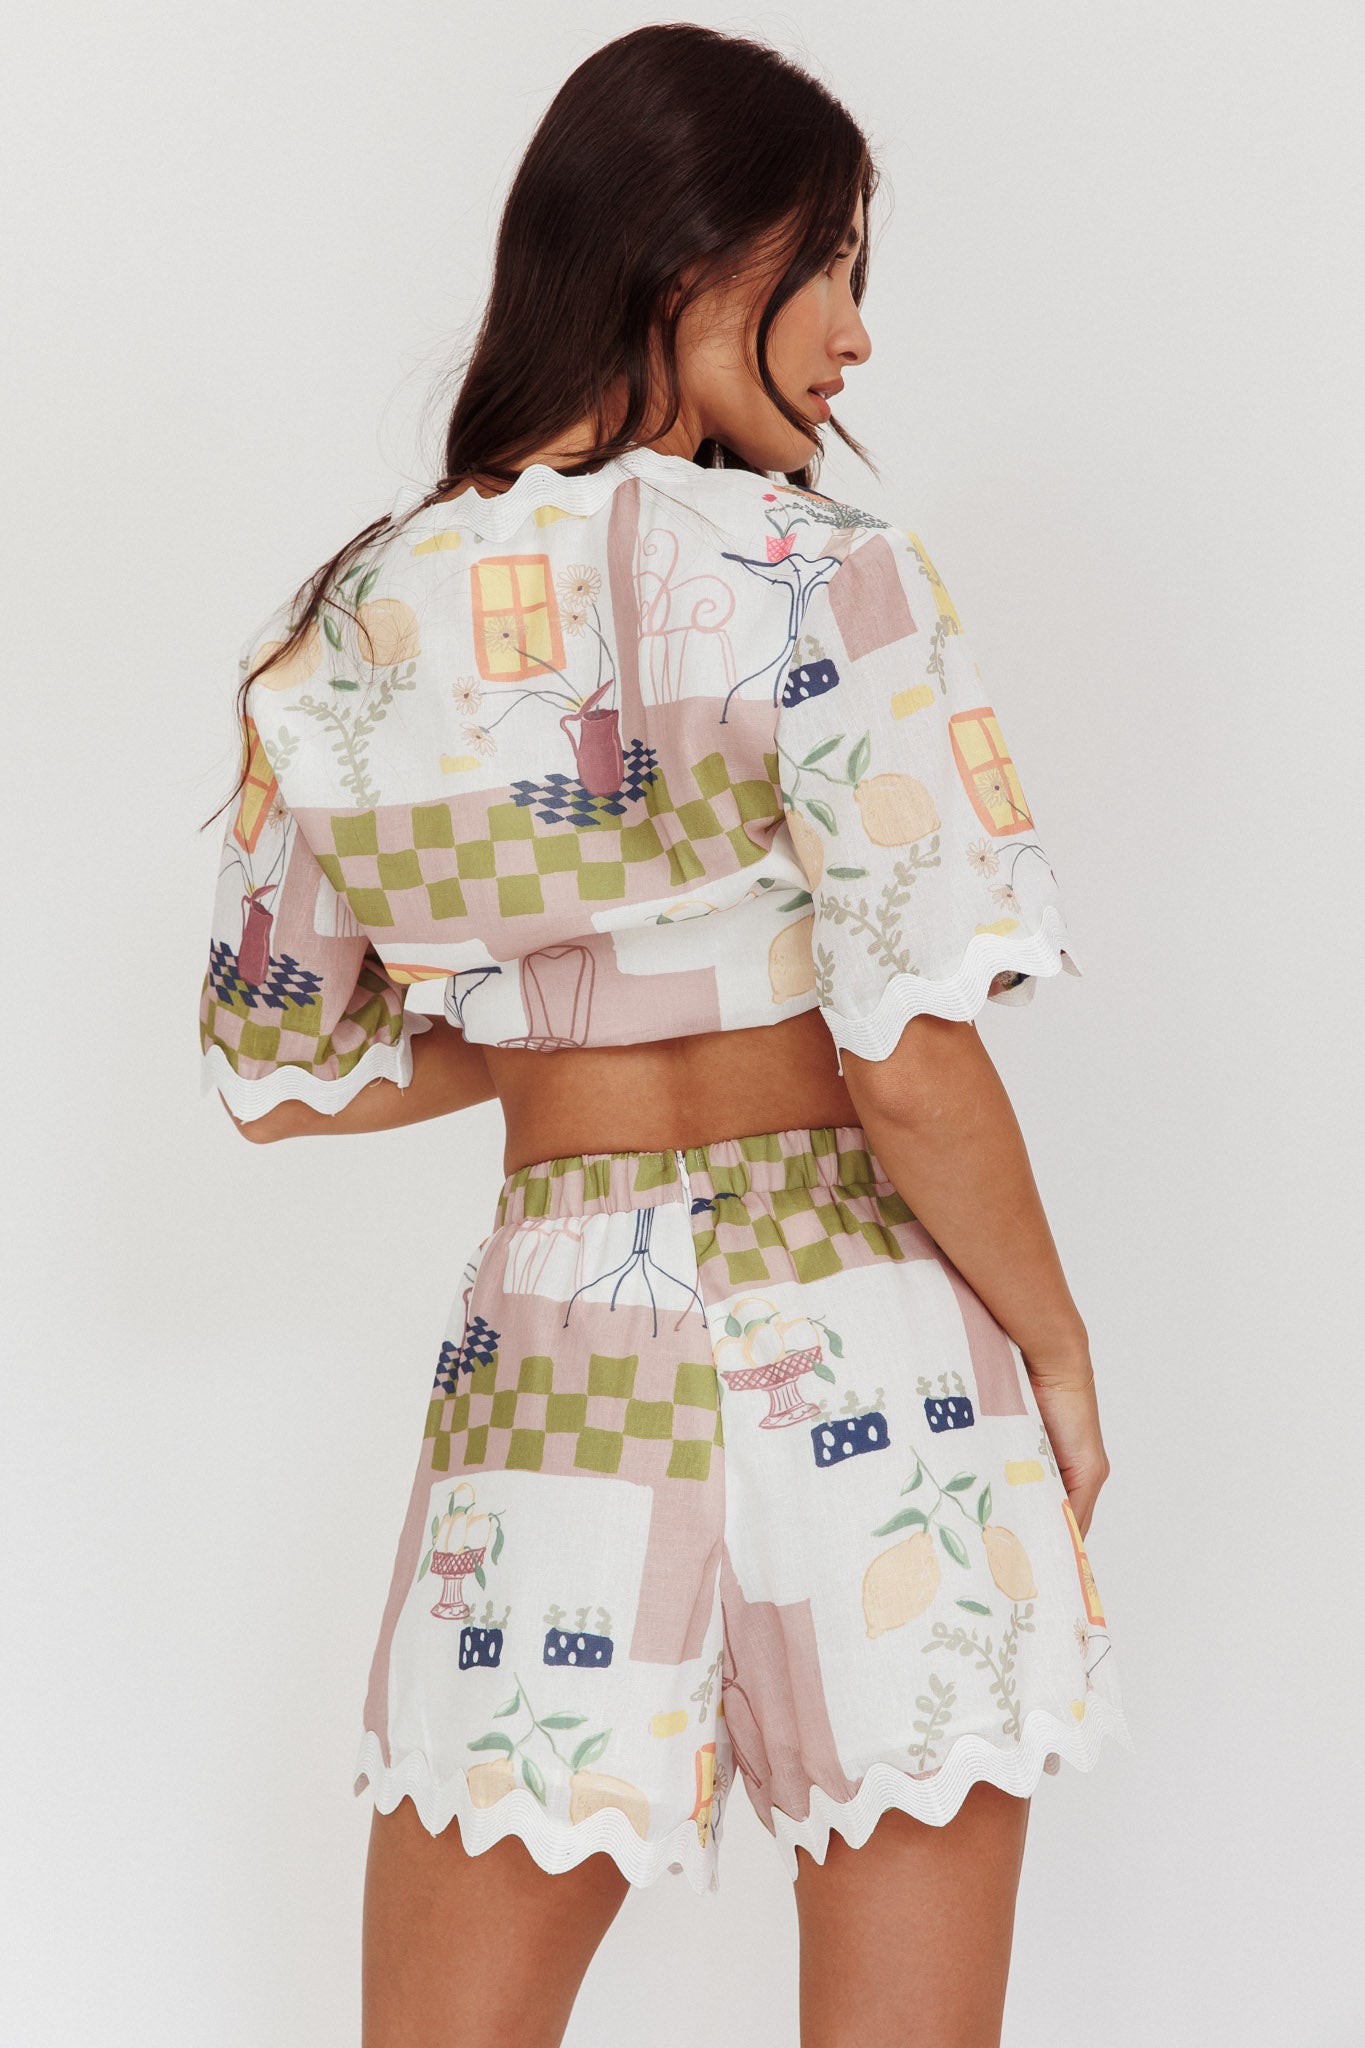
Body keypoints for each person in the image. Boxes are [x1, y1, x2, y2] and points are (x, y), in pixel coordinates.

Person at [197, 23, 1133, 2048]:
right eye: (833, 267)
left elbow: (280, 1073)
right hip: (868, 1328)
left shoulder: (359, 623)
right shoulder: (830, 579)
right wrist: (1056, 1347)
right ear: (696, 257)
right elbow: (903, 1058)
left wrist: (561, 1020)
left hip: (559, 1341)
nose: (856, 337)